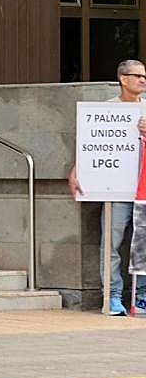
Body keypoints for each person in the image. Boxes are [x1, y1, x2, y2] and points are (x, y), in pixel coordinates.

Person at [68, 59, 146, 315]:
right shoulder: (106, 110)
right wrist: (77, 171)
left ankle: (141, 296)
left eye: (144, 76)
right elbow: (94, 145)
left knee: (143, 245)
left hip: (144, 188)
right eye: (138, 76)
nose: (143, 80)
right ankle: (112, 296)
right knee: (111, 243)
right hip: (118, 188)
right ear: (123, 79)